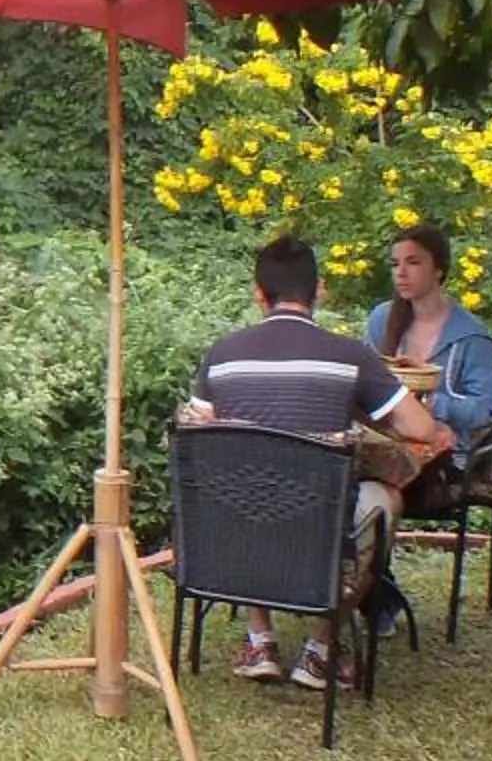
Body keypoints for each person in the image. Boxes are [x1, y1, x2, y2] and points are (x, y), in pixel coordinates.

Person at [184, 232, 451, 690]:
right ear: (319, 289)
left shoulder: (221, 356)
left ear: (258, 294)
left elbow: (196, 433)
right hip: (318, 535)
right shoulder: (350, 357)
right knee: (384, 502)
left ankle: (259, 640)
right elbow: (420, 429)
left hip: (232, 538)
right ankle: (320, 649)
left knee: (243, 481)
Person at [363, 222, 492, 498]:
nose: (401, 273)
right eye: (395, 264)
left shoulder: (470, 337)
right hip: (384, 441)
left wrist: (433, 404)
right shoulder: (383, 319)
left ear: (439, 269)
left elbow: (486, 409)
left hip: (442, 459)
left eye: (413, 262)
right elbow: (363, 380)